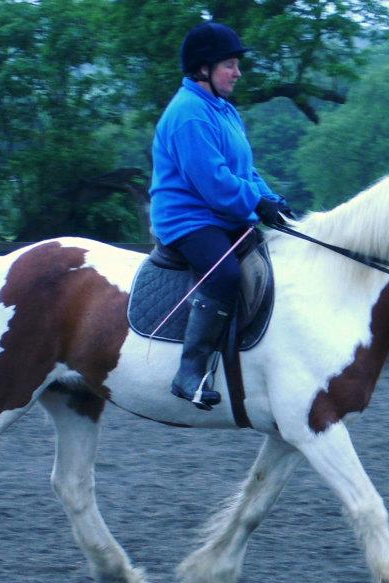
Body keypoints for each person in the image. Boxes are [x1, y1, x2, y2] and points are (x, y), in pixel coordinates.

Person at [150, 21, 292, 411]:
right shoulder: (189, 115)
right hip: (189, 219)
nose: (238, 72)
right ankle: (189, 371)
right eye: (230, 64)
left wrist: (272, 200)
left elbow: (245, 172)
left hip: (222, 214)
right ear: (203, 69)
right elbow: (214, 184)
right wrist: (254, 202)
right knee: (226, 273)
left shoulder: (224, 110)